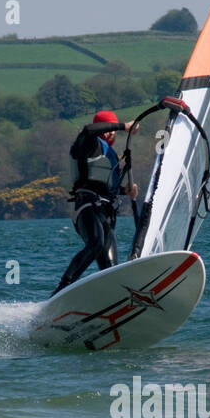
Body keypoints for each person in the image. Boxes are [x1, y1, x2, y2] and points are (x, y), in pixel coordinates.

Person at [51, 110, 138, 295]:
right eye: (108, 129)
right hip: (86, 206)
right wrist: (124, 126)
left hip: (105, 213)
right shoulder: (87, 144)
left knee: (111, 267)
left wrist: (125, 191)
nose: (109, 135)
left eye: (112, 132)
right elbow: (90, 129)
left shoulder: (110, 154)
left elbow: (106, 186)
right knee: (95, 243)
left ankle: (113, 300)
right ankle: (61, 290)